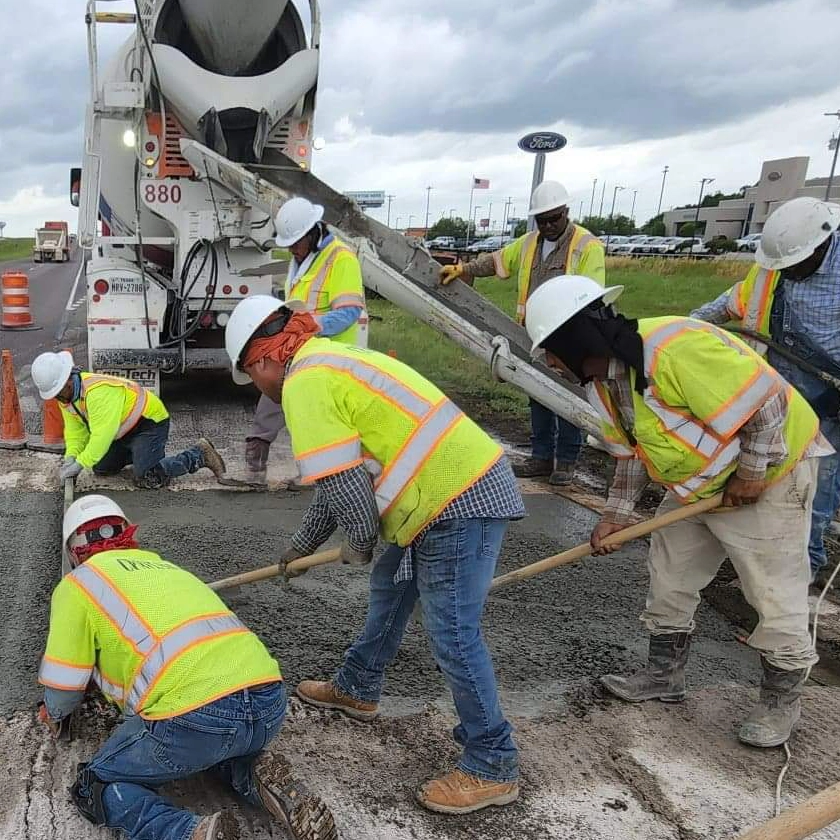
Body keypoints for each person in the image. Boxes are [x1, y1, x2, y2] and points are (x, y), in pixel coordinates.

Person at [225, 295, 526, 815]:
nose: (260, 387)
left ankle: (492, 762)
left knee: (453, 632)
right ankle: (358, 686)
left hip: (457, 499)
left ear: (263, 361)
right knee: (391, 588)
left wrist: (360, 540)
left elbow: (348, 494)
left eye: (253, 376)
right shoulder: (330, 360)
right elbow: (336, 481)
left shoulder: (304, 384)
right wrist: (304, 545)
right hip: (440, 497)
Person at [526, 274, 830, 748]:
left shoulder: (674, 348)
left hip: (773, 473)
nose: (550, 362)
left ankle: (779, 699)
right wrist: (615, 517)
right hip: (699, 484)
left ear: (575, 338)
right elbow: (631, 453)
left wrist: (750, 476)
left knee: (772, 589)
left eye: (550, 349)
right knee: (670, 572)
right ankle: (665, 674)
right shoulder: (605, 383)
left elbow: (768, 404)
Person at [38, 493, 335, 840]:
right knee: (214, 751)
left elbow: (63, 689)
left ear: (74, 550)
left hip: (194, 720)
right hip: (268, 702)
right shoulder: (167, 568)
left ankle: (190, 832)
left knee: (97, 783)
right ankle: (255, 775)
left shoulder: (78, 584)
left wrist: (54, 712)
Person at [690, 197, 840, 582]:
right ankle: (752, 558)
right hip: (781, 386)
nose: (787, 272)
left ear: (821, 247)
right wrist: (680, 328)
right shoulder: (773, 273)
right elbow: (726, 306)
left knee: (813, 488)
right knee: (761, 470)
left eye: (795, 265)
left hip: (833, 395)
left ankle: (799, 575)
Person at [440, 181, 604, 485]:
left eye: (554, 218)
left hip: (571, 334)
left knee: (569, 396)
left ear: (566, 212)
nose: (549, 225)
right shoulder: (531, 243)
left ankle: (566, 461)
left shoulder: (587, 246)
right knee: (537, 392)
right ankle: (541, 457)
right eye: (543, 220)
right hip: (536, 333)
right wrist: (464, 269)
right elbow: (498, 261)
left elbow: (590, 294)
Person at [245, 196, 367, 484]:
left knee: (315, 416)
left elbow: (349, 312)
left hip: (330, 354)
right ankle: (255, 462)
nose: (293, 251)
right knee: (273, 392)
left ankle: (320, 476)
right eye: (289, 245)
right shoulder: (302, 259)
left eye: (297, 244)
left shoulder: (341, 259)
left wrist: (308, 325)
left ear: (314, 232)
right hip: (299, 348)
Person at [30, 352, 226, 489]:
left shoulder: (97, 393)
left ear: (68, 380)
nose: (56, 397)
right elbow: (76, 432)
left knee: (148, 478)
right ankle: (144, 454)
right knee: (101, 468)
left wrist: (79, 464)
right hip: (123, 432)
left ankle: (198, 454)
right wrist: (71, 456)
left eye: (57, 392)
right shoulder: (66, 398)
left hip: (148, 423)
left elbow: (101, 436)